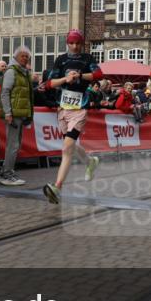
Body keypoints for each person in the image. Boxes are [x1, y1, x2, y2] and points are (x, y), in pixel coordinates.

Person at [40, 29, 102, 204]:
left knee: (67, 147)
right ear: (67, 43)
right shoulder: (61, 60)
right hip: (63, 110)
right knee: (71, 145)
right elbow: (50, 83)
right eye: (71, 43)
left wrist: (80, 76)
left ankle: (57, 187)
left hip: (80, 110)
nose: (74, 46)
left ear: (81, 43)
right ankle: (90, 162)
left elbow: (98, 74)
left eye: (77, 43)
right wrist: (65, 79)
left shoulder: (87, 59)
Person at [0, 45, 33, 186]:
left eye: (27, 56)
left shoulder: (22, 72)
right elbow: (5, 92)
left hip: (19, 114)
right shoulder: (12, 71)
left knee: (15, 145)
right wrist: (8, 112)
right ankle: (7, 174)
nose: (25, 58)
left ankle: (6, 172)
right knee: (13, 145)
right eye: (22, 56)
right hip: (13, 114)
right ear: (16, 57)